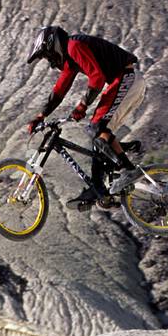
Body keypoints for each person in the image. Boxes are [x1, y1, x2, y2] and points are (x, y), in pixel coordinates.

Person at [26, 26, 147, 209]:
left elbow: (97, 78)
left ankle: (128, 170)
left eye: (47, 55)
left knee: (96, 128)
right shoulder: (70, 59)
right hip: (127, 82)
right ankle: (98, 188)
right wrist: (40, 115)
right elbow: (59, 91)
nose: (50, 61)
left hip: (126, 79)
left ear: (53, 45)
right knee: (98, 135)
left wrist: (82, 105)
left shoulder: (74, 46)